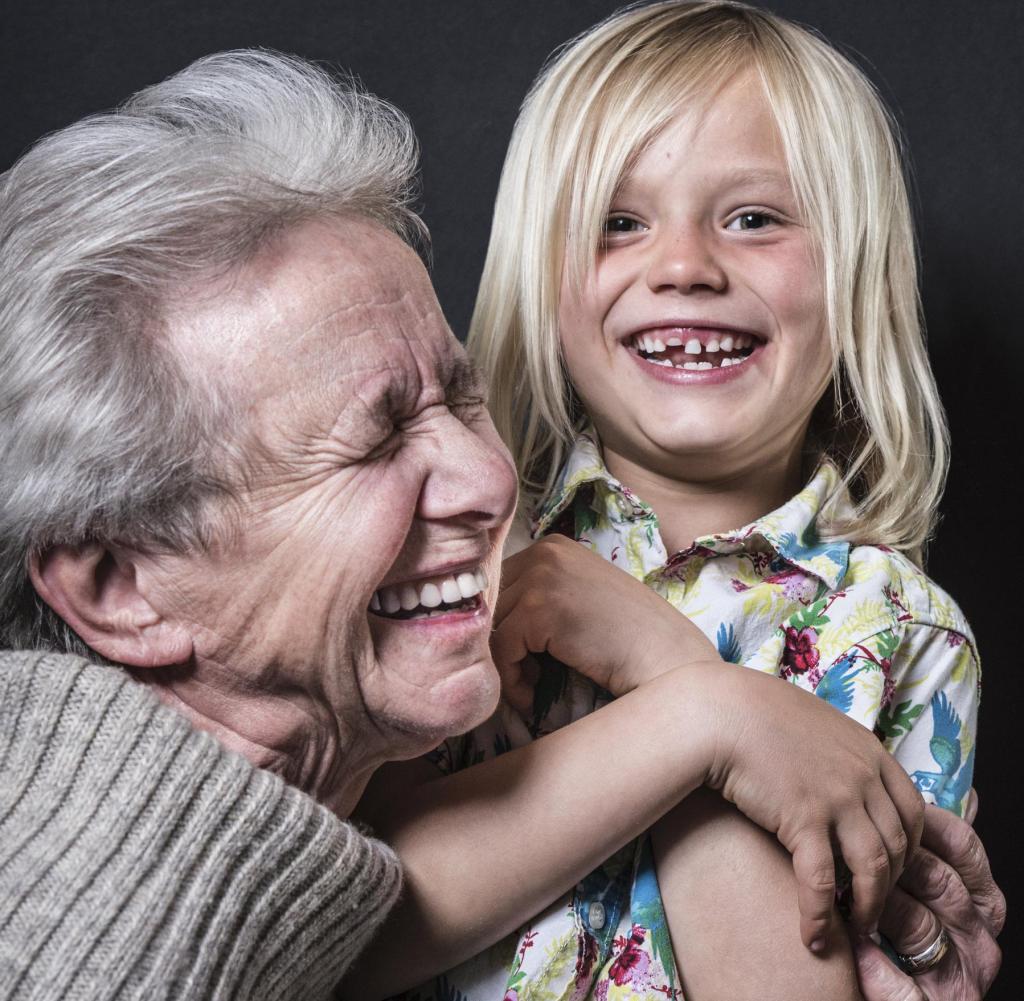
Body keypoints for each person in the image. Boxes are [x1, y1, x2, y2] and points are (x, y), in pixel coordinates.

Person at [350, 3, 1003, 999]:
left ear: (852, 271)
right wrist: (705, 724)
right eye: (619, 221)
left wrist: (673, 671)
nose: (686, 266)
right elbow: (355, 925)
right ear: (543, 274)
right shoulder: (457, 562)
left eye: (752, 217)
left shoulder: (904, 634)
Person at [0, 49, 521, 999]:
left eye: (463, 396)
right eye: (373, 443)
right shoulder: (82, 958)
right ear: (121, 588)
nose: (489, 478)